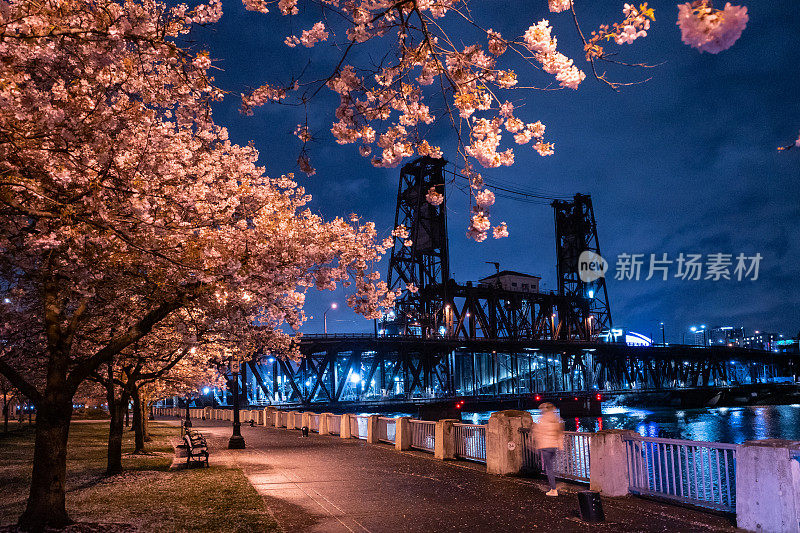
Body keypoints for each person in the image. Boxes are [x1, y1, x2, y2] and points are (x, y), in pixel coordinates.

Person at [533, 402, 564, 497]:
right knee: (551, 467)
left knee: (549, 468)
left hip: (545, 446)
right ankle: (553, 485)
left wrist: (537, 445)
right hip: (553, 446)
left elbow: (538, 433)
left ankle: (553, 489)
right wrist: (560, 446)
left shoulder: (542, 420)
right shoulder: (556, 420)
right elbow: (559, 433)